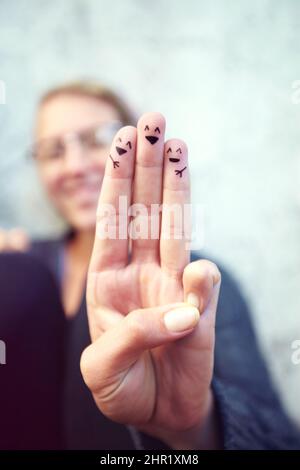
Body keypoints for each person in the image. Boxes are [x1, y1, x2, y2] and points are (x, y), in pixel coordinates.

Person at [0, 82, 299, 449]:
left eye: (97, 139)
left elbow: (281, 439)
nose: (75, 166)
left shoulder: (198, 279)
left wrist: (193, 426)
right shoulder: (22, 269)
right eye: (54, 151)